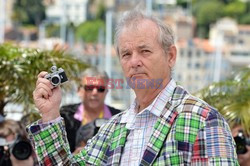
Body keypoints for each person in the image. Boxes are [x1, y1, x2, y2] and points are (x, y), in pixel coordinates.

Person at [27, 10, 239, 165]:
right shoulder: (114, 128)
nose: (134, 61)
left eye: (145, 51)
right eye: (126, 54)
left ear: (171, 56)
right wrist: (50, 114)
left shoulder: (203, 120)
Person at [59, 67, 121, 153]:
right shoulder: (65, 116)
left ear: (106, 91)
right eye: (89, 88)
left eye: (100, 89)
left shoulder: (119, 118)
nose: (95, 92)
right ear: (79, 90)